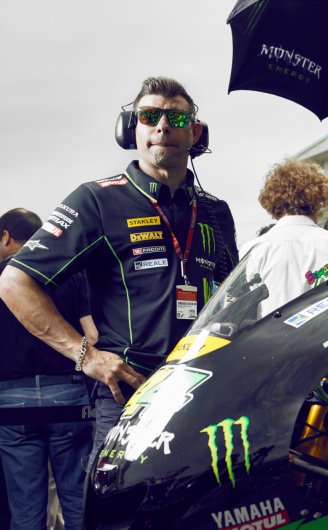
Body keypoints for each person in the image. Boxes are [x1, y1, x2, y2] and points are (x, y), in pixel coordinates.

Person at [0, 77, 239, 468]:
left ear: (195, 133)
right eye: (149, 116)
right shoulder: (97, 199)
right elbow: (14, 282)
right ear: (132, 130)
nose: (163, 125)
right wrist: (86, 357)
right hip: (129, 395)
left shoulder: (215, 210)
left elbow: (233, 296)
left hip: (206, 393)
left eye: (177, 117)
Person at [0, 208, 95, 530]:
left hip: (11, 403)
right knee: (77, 503)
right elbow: (92, 335)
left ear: (6, 236)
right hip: (67, 396)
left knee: (25, 509)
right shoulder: (70, 273)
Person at [239, 159, 328, 316]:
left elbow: (240, 308)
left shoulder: (252, 249)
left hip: (268, 332)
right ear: (318, 199)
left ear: (272, 200)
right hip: (325, 329)